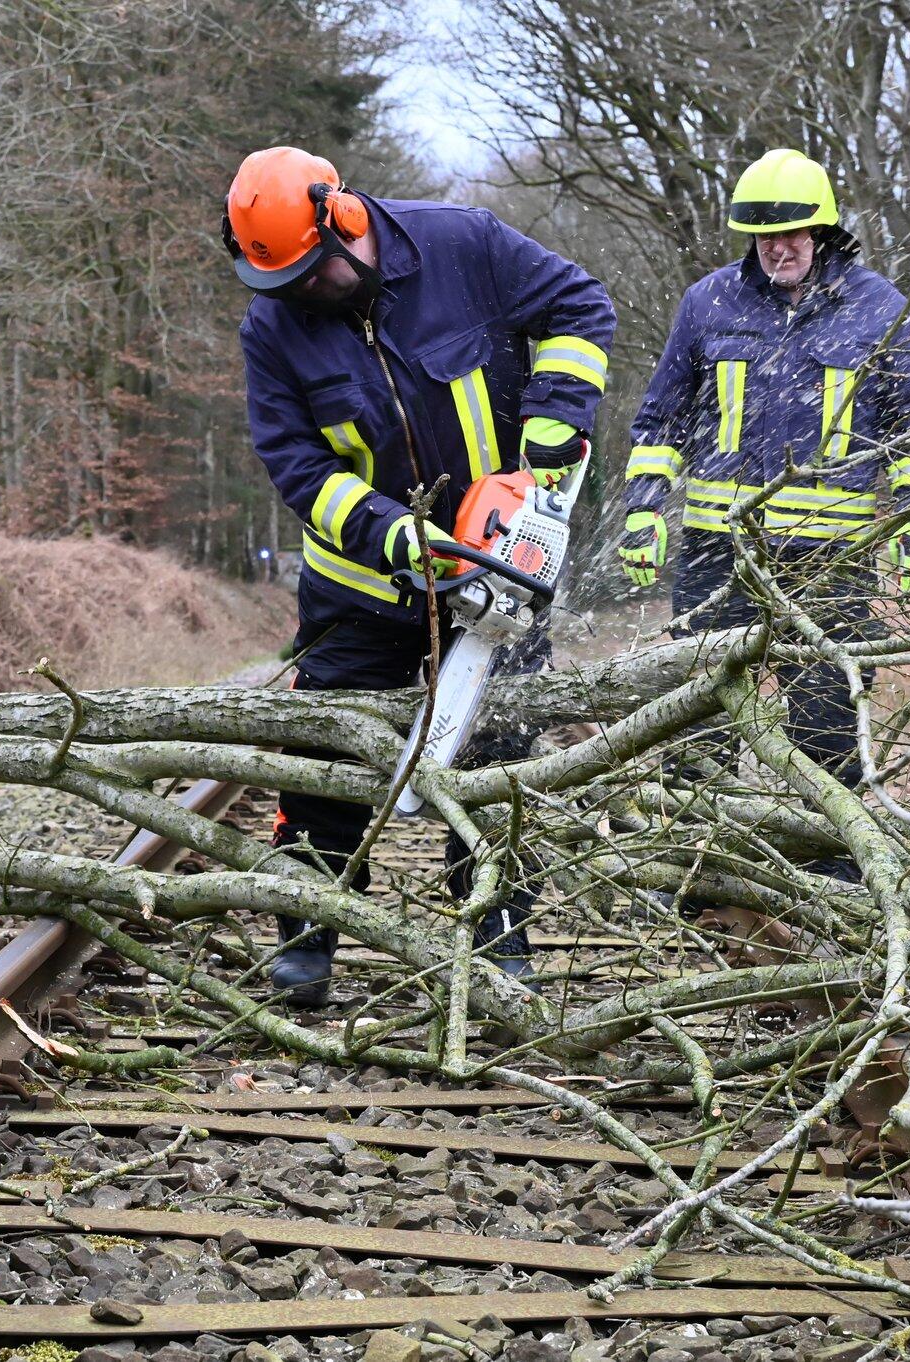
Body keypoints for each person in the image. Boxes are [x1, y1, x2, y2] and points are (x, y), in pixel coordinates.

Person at [227, 146, 615, 1005]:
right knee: (326, 744)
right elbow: (294, 463)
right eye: (277, 278)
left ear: (346, 220)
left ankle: (498, 922)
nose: (297, 291)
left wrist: (557, 415)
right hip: (362, 583)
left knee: (501, 750)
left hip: (498, 564)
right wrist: (386, 534)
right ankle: (309, 924)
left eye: (307, 271)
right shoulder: (273, 327)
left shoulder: (463, 245)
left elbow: (580, 308)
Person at [618, 148, 910, 786]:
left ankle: (827, 865)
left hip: (831, 558)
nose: (777, 249)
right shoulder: (708, 303)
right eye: (764, 236)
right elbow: (662, 422)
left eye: (790, 234)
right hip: (719, 547)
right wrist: (644, 509)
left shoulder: (879, 310)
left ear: (821, 232)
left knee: (826, 715)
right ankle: (693, 864)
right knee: (699, 708)